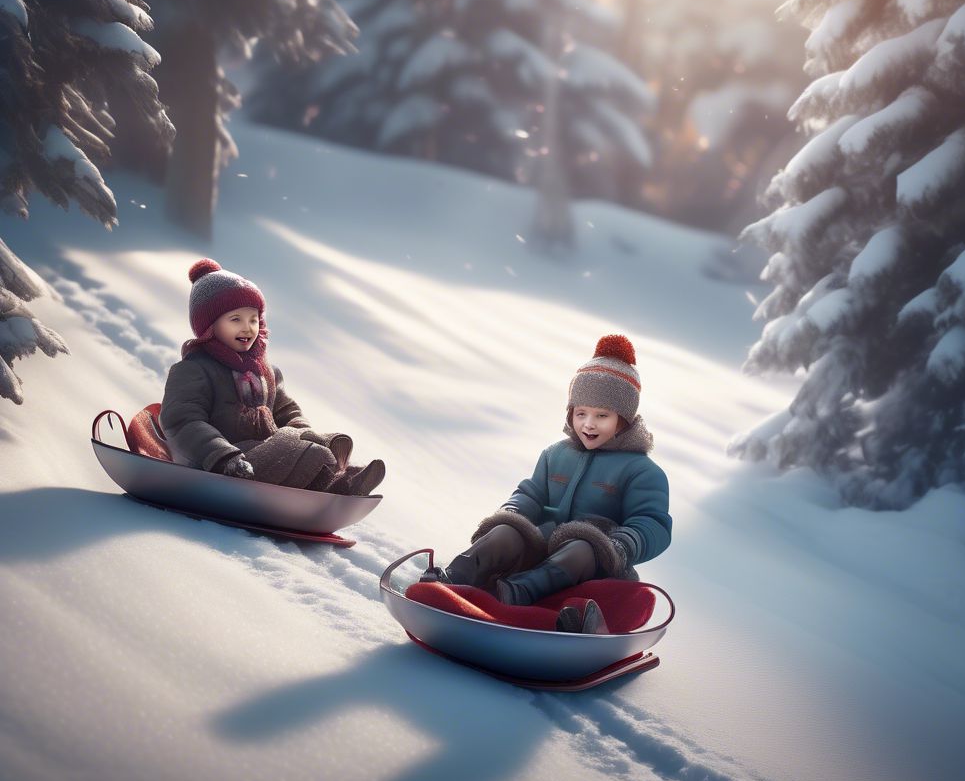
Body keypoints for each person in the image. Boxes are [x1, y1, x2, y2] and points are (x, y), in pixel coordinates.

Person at [421, 334, 670, 633]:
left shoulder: (641, 471)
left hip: (594, 563)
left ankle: (513, 596)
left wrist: (620, 545)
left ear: (624, 420)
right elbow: (532, 494)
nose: (588, 424)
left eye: (602, 415)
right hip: (540, 547)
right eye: (581, 413)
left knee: (581, 546)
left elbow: (652, 523)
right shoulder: (556, 454)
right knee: (505, 532)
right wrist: (514, 514)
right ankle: (450, 581)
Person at [160, 259, 384, 495]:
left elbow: (286, 410)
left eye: (253, 319)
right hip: (223, 465)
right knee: (311, 453)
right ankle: (335, 483)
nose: (247, 328)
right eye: (235, 319)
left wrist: (302, 430)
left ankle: (339, 479)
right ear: (209, 326)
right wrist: (222, 455)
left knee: (322, 443)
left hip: (264, 453)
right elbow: (182, 421)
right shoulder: (194, 369)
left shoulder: (265, 372)